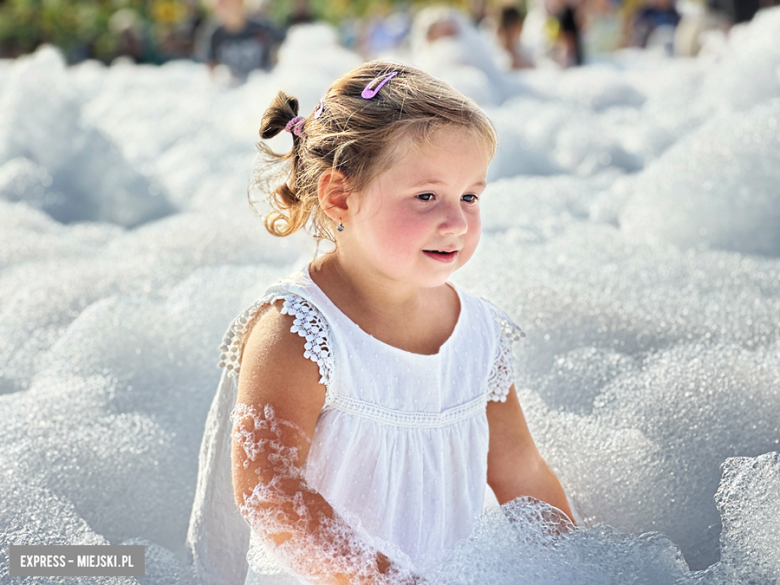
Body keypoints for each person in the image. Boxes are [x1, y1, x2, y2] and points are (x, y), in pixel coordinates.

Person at [186, 61, 576, 585]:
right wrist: (386, 579)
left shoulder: (477, 334)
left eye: (470, 196)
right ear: (340, 196)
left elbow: (522, 476)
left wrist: (580, 565)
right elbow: (268, 489)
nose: (456, 222)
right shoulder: (300, 332)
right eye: (425, 196)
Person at [197, 0, 284, 83]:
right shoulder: (213, 35)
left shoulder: (262, 28)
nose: (223, 5)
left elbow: (283, 50)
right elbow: (210, 71)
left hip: (262, 83)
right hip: (233, 90)